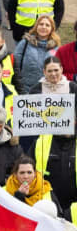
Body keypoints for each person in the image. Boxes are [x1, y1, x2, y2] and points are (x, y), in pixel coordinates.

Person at [29, 57, 77, 214]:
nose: (53, 74)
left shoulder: (72, 87)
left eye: (56, 70)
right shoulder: (36, 89)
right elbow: (30, 116)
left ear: (62, 70)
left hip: (69, 137)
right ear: (44, 72)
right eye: (49, 71)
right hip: (45, 141)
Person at [13, 15, 61, 95]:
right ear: (36, 26)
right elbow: (15, 64)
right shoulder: (25, 43)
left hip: (47, 91)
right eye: (41, 24)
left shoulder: (56, 48)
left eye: (47, 25)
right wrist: (19, 86)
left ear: (52, 29)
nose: (43, 27)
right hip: (23, 90)